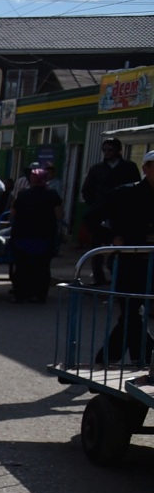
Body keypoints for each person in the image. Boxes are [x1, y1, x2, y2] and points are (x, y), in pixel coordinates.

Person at [95, 152, 154, 362]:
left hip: (152, 264)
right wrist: (113, 237)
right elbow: (93, 218)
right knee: (131, 312)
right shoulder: (125, 193)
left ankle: (130, 359)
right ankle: (139, 359)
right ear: (145, 169)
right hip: (129, 263)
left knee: (132, 316)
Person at [8, 168, 61, 303]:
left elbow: (12, 214)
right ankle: (40, 295)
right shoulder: (52, 195)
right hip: (45, 237)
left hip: (22, 237)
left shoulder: (22, 194)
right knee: (43, 267)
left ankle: (21, 294)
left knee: (22, 267)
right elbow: (59, 215)